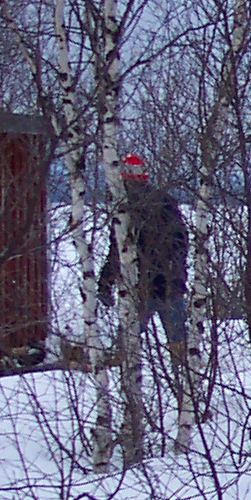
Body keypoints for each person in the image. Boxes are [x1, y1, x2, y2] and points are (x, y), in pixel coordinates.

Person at [99, 153, 190, 358]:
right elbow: (182, 242)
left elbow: (117, 251)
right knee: (181, 346)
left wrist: (105, 283)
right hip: (171, 283)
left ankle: (124, 369)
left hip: (141, 286)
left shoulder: (124, 209)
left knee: (127, 344)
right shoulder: (167, 202)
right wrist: (176, 269)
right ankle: (186, 379)